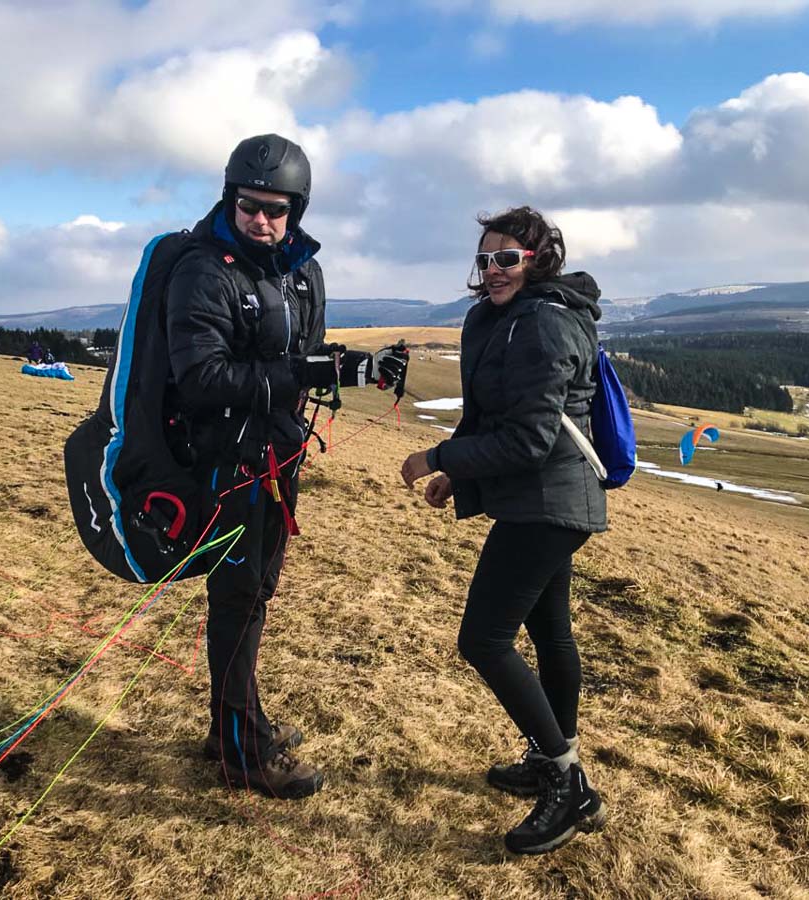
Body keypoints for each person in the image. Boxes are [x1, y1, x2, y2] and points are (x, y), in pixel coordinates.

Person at [165, 134, 408, 800]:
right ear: (230, 200)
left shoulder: (302, 271)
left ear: (295, 210)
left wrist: (359, 368)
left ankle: (232, 726)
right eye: (249, 206)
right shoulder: (203, 270)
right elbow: (201, 379)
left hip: (279, 455)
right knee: (238, 599)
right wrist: (298, 374)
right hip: (227, 464)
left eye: (276, 210)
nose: (261, 221)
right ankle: (242, 753)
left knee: (256, 594)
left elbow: (303, 355)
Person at [400, 206, 608, 855]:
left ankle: (568, 785)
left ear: (537, 260)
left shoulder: (544, 322)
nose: (493, 270)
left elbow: (528, 439)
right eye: (485, 259)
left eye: (507, 259)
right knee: (549, 632)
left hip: (548, 502)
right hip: (540, 499)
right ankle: (553, 761)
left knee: (484, 639)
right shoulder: (500, 318)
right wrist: (458, 474)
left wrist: (437, 457)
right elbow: (489, 415)